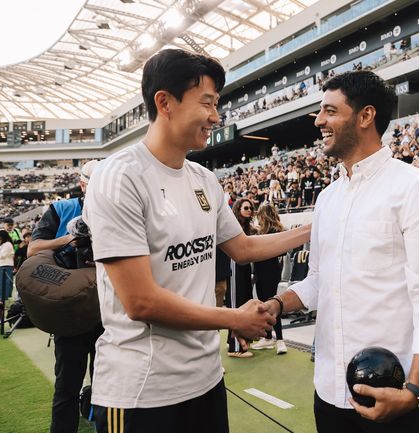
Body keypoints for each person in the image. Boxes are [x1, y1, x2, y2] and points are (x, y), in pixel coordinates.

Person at [82, 49, 310, 433]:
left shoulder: (204, 179)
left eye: (216, 104)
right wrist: (234, 318)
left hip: (206, 380)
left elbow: (243, 248)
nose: (215, 117)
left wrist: (313, 229)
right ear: (164, 103)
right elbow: (140, 301)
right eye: (206, 103)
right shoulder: (119, 177)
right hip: (141, 391)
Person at [263, 70, 419, 433]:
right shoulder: (327, 198)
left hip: (397, 395)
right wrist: (276, 305)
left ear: (366, 116)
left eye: (330, 111)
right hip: (330, 394)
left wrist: (414, 390)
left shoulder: (416, 188)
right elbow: (318, 281)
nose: (318, 121)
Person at [28, 159, 102, 433]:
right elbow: (33, 249)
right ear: (83, 185)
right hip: (71, 310)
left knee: (108, 384)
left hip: (109, 308)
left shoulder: (122, 206)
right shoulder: (62, 209)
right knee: (67, 385)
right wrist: (70, 237)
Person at [251, 204, 287, 354]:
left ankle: (280, 340)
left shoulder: (273, 231)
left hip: (269, 271)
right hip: (262, 270)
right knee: (264, 303)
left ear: (264, 215)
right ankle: (267, 337)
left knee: (271, 305)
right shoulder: (263, 231)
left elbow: (282, 252)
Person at [227, 198, 256, 358]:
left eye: (250, 208)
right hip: (234, 265)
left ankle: (239, 341)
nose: (249, 210)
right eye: (246, 208)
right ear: (238, 210)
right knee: (236, 302)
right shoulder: (234, 226)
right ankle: (235, 348)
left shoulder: (247, 227)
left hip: (244, 266)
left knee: (245, 299)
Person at [0, 230, 15, 301]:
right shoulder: (2, 245)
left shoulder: (8, 244)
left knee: (0, 286)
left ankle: (0, 299)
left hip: (3, 266)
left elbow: (1, 255)